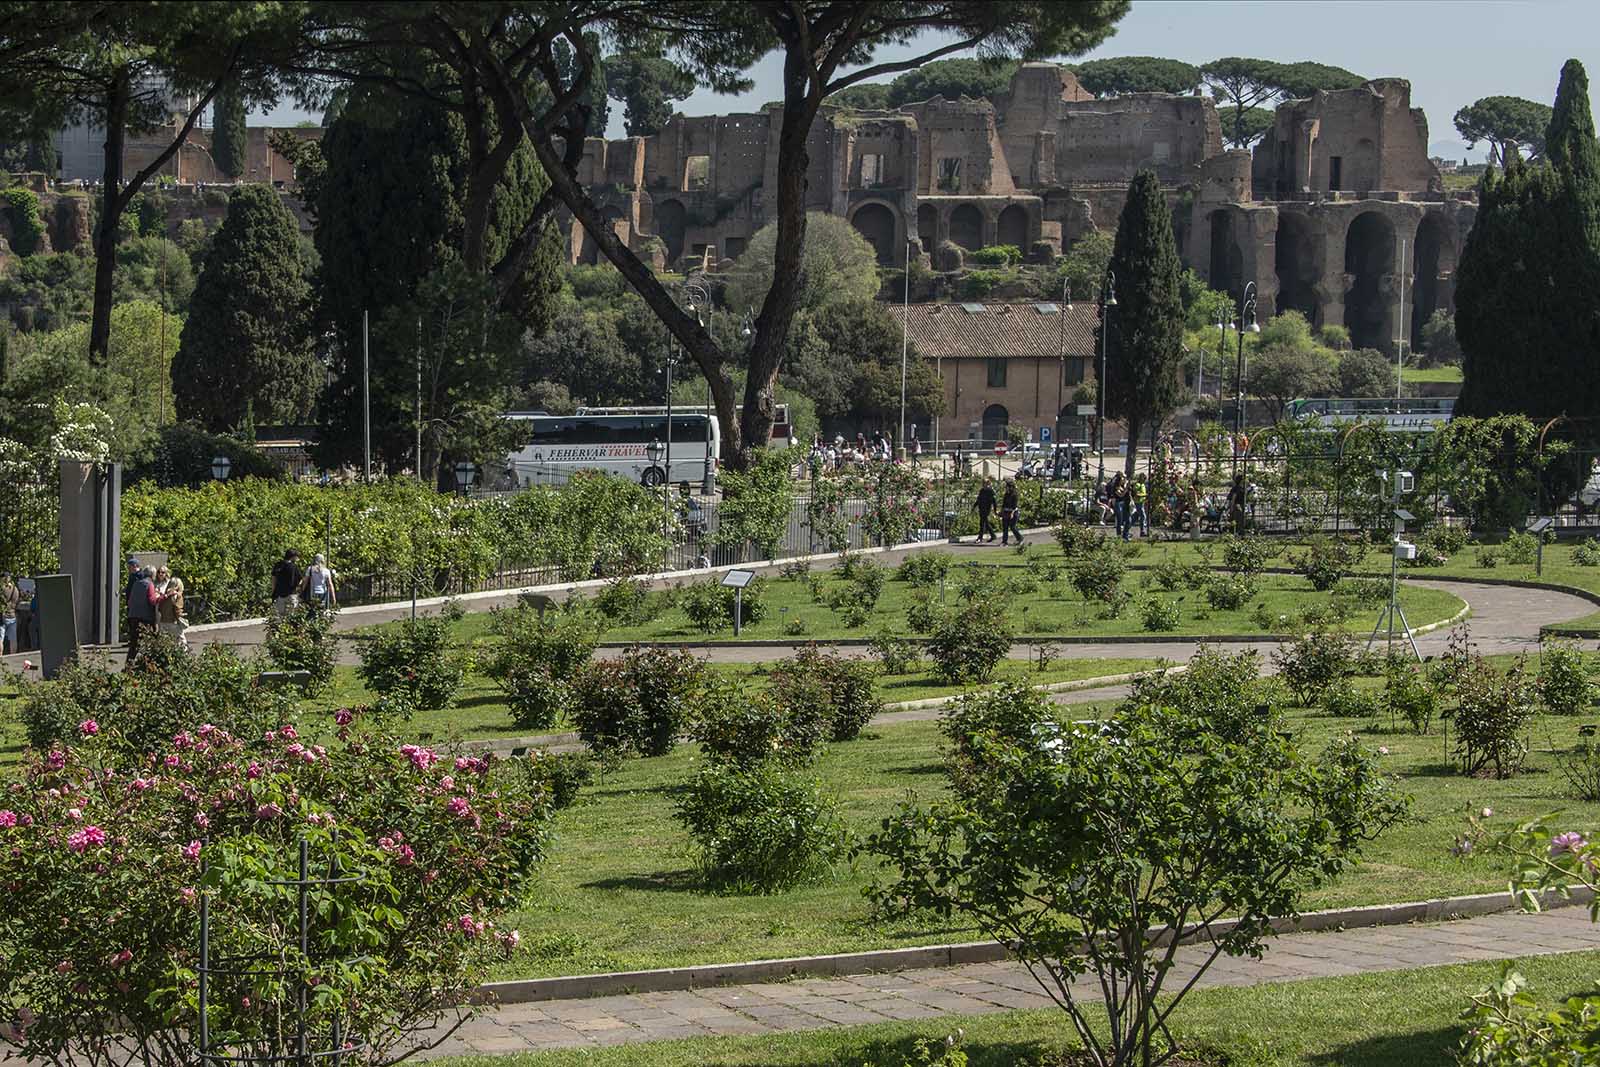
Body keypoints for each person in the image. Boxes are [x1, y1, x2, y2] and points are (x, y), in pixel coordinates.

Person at [125, 563, 158, 663]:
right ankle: (148, 664)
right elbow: (152, 600)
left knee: (134, 643)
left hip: (132, 616)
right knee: (150, 641)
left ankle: (129, 665)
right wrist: (163, 597)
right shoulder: (150, 584)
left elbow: (130, 601)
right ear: (153, 575)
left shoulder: (136, 583)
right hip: (144, 617)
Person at [157, 573, 188, 648]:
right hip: (173, 622)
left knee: (165, 644)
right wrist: (181, 616)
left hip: (163, 621)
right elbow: (177, 609)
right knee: (182, 642)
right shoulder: (177, 595)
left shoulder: (165, 594)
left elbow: (159, 607)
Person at [270, 549, 303, 617]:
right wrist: (298, 587)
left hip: (279, 593)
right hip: (291, 593)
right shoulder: (294, 567)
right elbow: (300, 579)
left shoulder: (278, 565)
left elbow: (273, 579)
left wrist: (273, 591)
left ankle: (280, 627)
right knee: (291, 615)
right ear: (292, 557)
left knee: (280, 615)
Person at [1109, 471, 1132, 541]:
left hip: (1124, 503)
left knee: (1127, 520)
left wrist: (1127, 486)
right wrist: (1126, 489)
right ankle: (1119, 535)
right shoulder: (1116, 487)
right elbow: (1121, 495)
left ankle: (1125, 534)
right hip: (1118, 503)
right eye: (1122, 479)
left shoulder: (1122, 486)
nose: (1123, 480)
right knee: (1119, 520)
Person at [975, 476, 998, 543]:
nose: (983, 485)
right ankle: (992, 535)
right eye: (983, 483)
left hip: (987, 508)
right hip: (981, 508)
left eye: (985, 483)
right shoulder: (982, 491)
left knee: (983, 523)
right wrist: (975, 506)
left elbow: (994, 501)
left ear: (988, 484)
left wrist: (995, 510)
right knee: (984, 523)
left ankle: (980, 537)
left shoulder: (990, 491)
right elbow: (979, 499)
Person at [999, 479, 1021, 545]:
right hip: (1006, 512)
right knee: (1005, 527)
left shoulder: (1014, 495)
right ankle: (1004, 541)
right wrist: (1001, 511)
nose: (1006, 488)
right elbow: (1004, 504)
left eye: (1007, 487)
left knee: (1012, 527)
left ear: (1011, 487)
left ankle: (1020, 538)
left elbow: (1014, 506)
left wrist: (1012, 513)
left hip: (1013, 513)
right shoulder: (1006, 494)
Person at [0, 573, 17, 654]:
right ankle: (13, 656)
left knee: (0, 639)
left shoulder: (2, 589)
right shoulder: (15, 589)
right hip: (12, 616)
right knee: (13, 639)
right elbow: (16, 602)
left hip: (2, 616)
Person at [1131, 473, 1149, 538]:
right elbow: (1136, 494)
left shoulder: (1143, 485)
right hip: (1138, 502)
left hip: (1142, 502)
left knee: (1135, 516)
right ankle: (1142, 531)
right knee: (1143, 516)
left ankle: (1127, 527)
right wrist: (1145, 495)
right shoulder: (1137, 485)